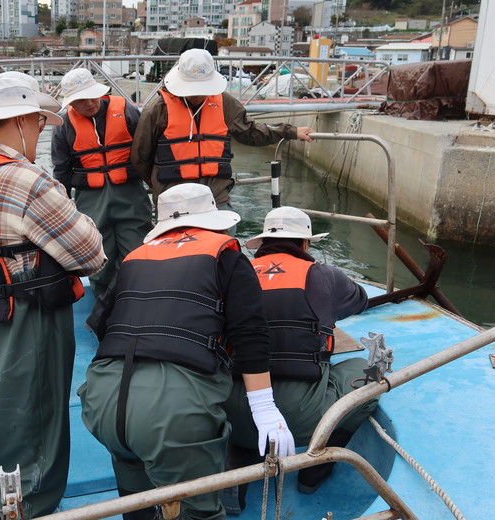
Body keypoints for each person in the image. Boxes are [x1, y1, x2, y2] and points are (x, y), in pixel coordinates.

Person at [78, 183, 295, 520]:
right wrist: (264, 409)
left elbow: (101, 323)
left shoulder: (134, 259)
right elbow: (250, 334)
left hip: (102, 400)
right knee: (195, 511)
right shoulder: (228, 258)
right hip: (171, 411)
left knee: (135, 504)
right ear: (214, 222)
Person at [0, 74, 106, 519]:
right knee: (33, 433)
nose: (40, 131)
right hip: (26, 328)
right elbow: (91, 254)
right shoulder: (25, 180)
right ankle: (27, 509)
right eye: (37, 122)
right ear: (20, 121)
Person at [221, 206, 379, 513]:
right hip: (301, 418)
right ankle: (314, 469)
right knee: (365, 373)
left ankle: (236, 462)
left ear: (262, 243)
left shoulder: (234, 275)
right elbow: (359, 301)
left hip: (230, 413)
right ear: (305, 243)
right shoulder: (324, 275)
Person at [130, 48, 315, 213]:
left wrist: (289, 131)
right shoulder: (157, 109)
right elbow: (140, 156)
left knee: (226, 237)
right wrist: (158, 185)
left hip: (215, 197)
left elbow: (250, 130)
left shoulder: (224, 103)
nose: (198, 94)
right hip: (173, 199)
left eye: (203, 88)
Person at [51, 68, 152, 299]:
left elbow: (145, 152)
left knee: (136, 256)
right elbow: (61, 169)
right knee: (99, 261)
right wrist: (62, 208)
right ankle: (104, 309)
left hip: (131, 196)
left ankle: (131, 304)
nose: (89, 103)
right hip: (91, 200)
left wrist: (156, 187)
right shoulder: (63, 125)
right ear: (70, 103)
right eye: (80, 100)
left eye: (91, 96)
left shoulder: (126, 110)